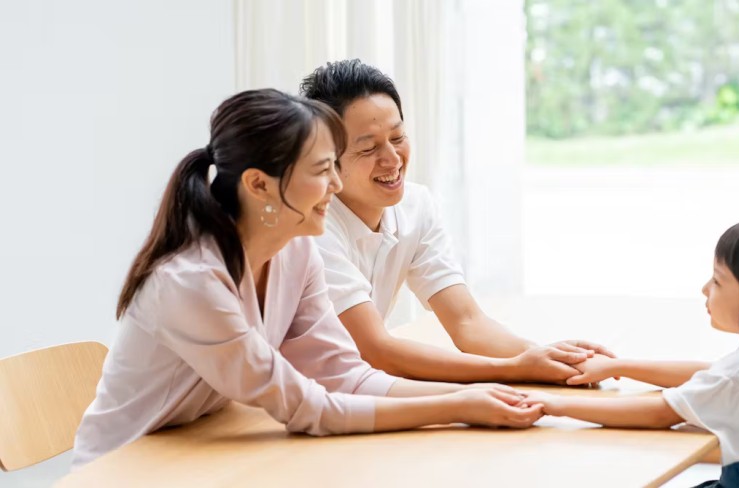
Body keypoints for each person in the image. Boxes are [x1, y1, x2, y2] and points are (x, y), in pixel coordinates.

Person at [72, 89, 542, 468]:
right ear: (258, 185)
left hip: (198, 449)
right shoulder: (190, 282)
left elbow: (345, 376)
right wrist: (458, 406)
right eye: (322, 170)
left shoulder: (296, 253)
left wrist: (476, 396)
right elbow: (309, 408)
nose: (335, 185)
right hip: (124, 468)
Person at [300, 59, 613, 384]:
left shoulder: (416, 205)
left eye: (398, 137)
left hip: (352, 388)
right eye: (368, 148)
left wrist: (547, 358)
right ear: (327, 161)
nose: (392, 159)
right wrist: (517, 369)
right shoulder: (312, 228)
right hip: (297, 400)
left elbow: (467, 323)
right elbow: (375, 350)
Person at [524, 219, 739, 487]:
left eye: (717, 280)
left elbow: (660, 413)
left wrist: (556, 405)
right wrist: (619, 366)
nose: (705, 289)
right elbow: (712, 373)